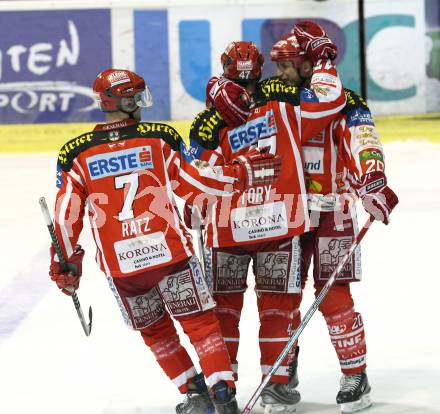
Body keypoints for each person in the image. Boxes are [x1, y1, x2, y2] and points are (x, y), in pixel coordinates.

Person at [48, 68, 282, 414]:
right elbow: (198, 183)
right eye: (137, 96)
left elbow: (66, 217)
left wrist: (64, 264)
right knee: (201, 324)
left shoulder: (75, 153)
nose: (142, 103)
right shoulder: (159, 138)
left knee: (156, 333)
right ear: (125, 100)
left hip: (122, 267)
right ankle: (223, 396)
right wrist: (242, 173)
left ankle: (195, 394)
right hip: (170, 252)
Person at [183, 21, 347, 414]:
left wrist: (194, 206)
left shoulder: (208, 123)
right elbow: (330, 104)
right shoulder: (287, 100)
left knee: (224, 308)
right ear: (261, 71)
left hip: (228, 229)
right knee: (278, 307)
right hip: (281, 219)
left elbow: (198, 171)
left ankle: (223, 388)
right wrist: (323, 60)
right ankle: (275, 387)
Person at [270, 27, 399, 413]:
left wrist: (372, 180)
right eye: (276, 65)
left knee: (334, 294)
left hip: (333, 209)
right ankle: (280, 373)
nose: (279, 73)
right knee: (280, 296)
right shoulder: (275, 98)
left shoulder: (345, 101)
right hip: (283, 211)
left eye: (287, 65)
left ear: (309, 64)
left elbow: (364, 140)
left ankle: (355, 375)